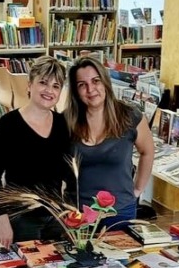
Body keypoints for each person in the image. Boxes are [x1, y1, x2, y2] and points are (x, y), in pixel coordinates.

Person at [0, 55, 72, 248]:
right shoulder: (8, 126)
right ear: (29, 85)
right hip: (20, 218)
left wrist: (71, 212)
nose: (49, 91)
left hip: (56, 216)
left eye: (56, 86)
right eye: (43, 83)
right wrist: (2, 220)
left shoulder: (62, 125)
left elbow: (70, 174)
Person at [65, 56, 154, 228]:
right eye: (82, 85)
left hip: (120, 211)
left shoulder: (129, 116)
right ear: (76, 91)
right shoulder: (66, 121)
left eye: (96, 81)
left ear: (105, 82)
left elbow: (147, 152)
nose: (91, 89)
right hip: (78, 213)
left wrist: (137, 190)